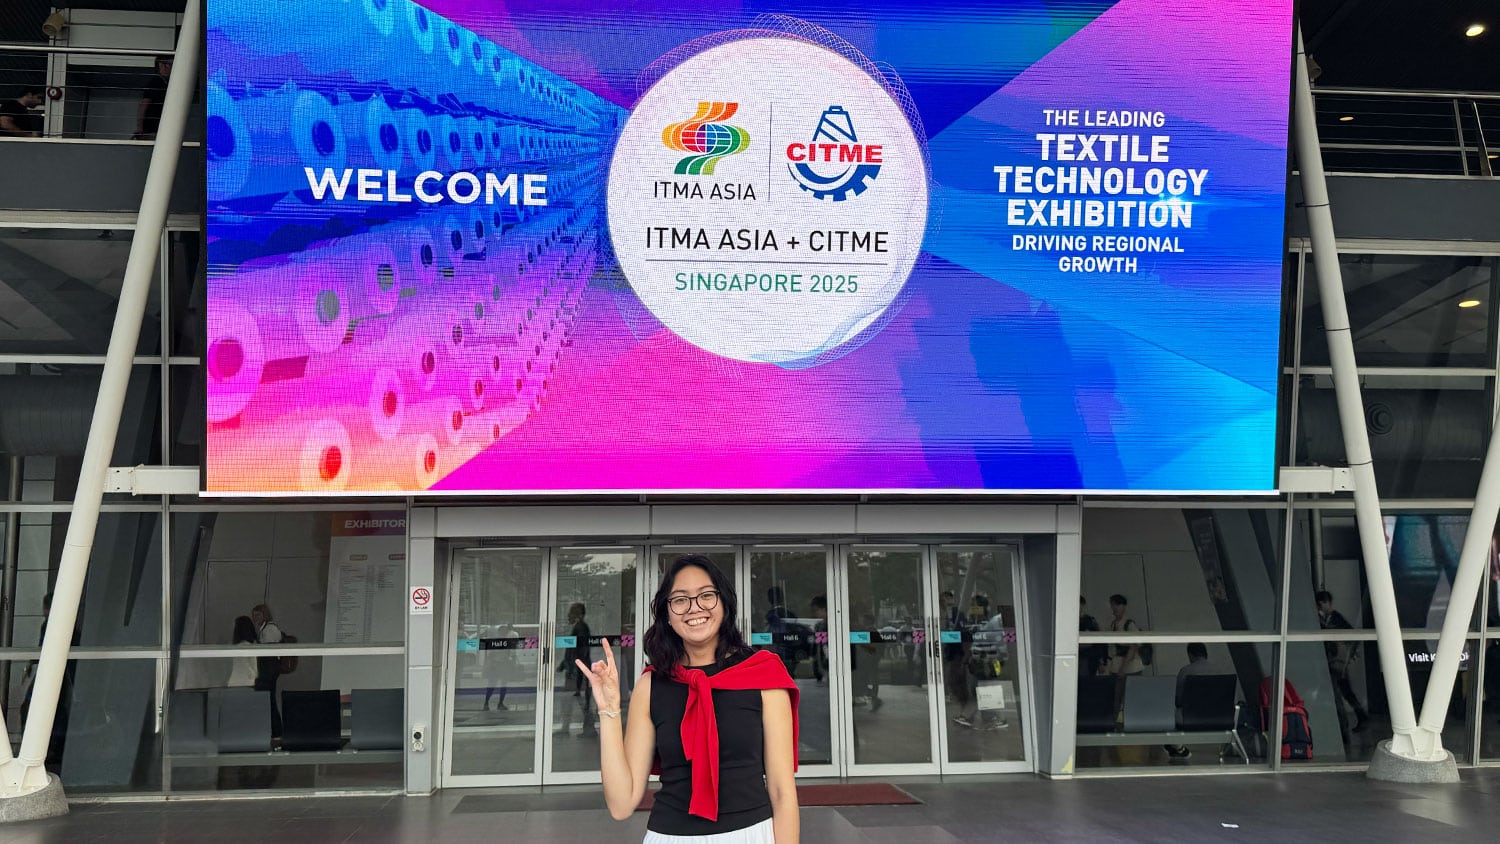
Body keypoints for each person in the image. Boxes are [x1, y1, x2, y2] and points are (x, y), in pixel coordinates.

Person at [576, 554, 799, 843]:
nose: (695, 608)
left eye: (706, 595)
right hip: (670, 835)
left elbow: (783, 792)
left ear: (724, 604)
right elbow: (621, 805)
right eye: (680, 599)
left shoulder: (763, 675)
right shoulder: (651, 685)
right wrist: (609, 711)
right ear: (667, 613)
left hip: (751, 834)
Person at [1316, 590, 1370, 732]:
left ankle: (1343, 726)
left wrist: (1349, 655)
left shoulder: (1334, 618)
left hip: (1337, 662)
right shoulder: (1323, 619)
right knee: (1344, 691)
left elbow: (1352, 636)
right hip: (1332, 661)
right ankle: (1356, 719)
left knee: (1341, 693)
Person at [1164, 643, 1214, 760]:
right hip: (1220, 718)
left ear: (1190, 655)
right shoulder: (1221, 670)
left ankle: (1177, 746)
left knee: (1166, 714)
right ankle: (1176, 747)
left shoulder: (1186, 671)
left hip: (1190, 718)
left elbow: (1178, 699)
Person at [557, 602, 595, 736]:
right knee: (576, 699)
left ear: (578, 614)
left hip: (578, 670)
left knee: (579, 699)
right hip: (577, 669)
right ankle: (582, 728)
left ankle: (587, 728)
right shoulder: (579, 627)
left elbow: (579, 650)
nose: (568, 615)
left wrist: (576, 667)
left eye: (571, 612)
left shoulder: (580, 628)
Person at [1107, 594, 1145, 714]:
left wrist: (1123, 668)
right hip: (1117, 666)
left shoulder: (1129, 625)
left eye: (1117, 605)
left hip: (1130, 667)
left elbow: (1133, 647)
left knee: (1128, 697)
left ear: (1123, 607)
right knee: (1116, 697)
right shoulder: (1114, 624)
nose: (1114, 608)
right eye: (1113, 605)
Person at [251, 603, 284, 736]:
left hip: (268, 669)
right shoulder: (266, 629)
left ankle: (276, 731)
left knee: (269, 700)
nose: (255, 618)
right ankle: (275, 730)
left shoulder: (269, 630)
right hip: (271, 669)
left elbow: (268, 650)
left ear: (264, 615)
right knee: (269, 699)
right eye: (253, 616)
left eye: (258, 615)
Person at [134, 54, 172, 139]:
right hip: (152, 130)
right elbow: (144, 104)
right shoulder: (155, 82)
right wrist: (140, 128)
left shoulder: (164, 83)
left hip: (159, 129)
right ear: (162, 65)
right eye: (170, 64)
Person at [1079, 596, 1108, 677]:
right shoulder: (1069, 620)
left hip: (1087, 659)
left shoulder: (1089, 621)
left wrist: (1102, 661)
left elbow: (1099, 641)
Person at [227, 615, 258, 687]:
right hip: (246, 682)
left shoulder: (238, 647)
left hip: (236, 682)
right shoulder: (250, 647)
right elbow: (253, 671)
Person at [809, 595, 827, 684]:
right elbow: (820, 645)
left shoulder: (822, 626)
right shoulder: (820, 626)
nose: (815, 613)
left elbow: (821, 645)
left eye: (816, 610)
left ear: (823, 609)